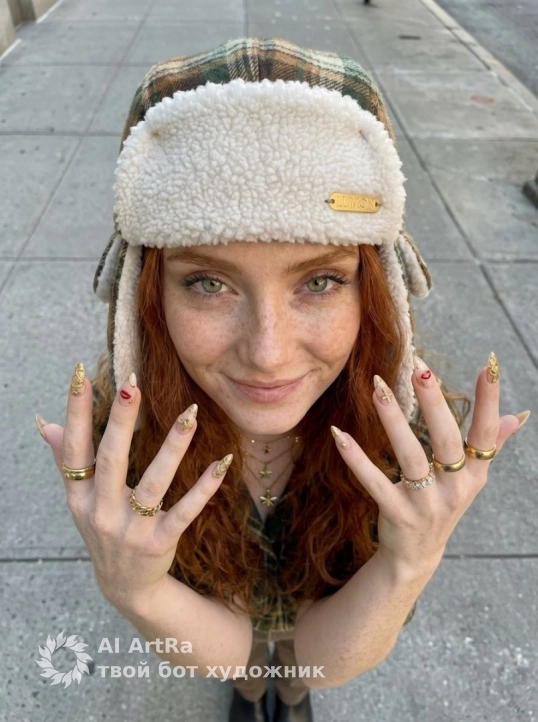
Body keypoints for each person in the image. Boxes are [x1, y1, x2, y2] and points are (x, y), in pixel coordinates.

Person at [35, 38, 530, 722]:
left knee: (296, 679)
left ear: (377, 289)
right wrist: (139, 591)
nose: (267, 353)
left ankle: (289, 696)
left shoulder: (406, 443)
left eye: (320, 281)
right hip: (221, 634)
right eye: (207, 283)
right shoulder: (128, 448)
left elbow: (332, 650)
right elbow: (224, 642)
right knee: (251, 675)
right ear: (144, 297)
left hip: (323, 637)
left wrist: (406, 563)